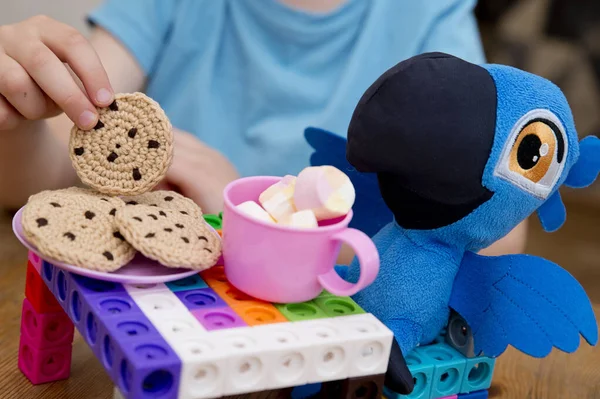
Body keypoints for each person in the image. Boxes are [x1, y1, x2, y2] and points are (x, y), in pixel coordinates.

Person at [0, 0, 526, 256]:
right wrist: (17, 119)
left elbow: (499, 232)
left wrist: (256, 223)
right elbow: (58, 158)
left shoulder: (426, 16)